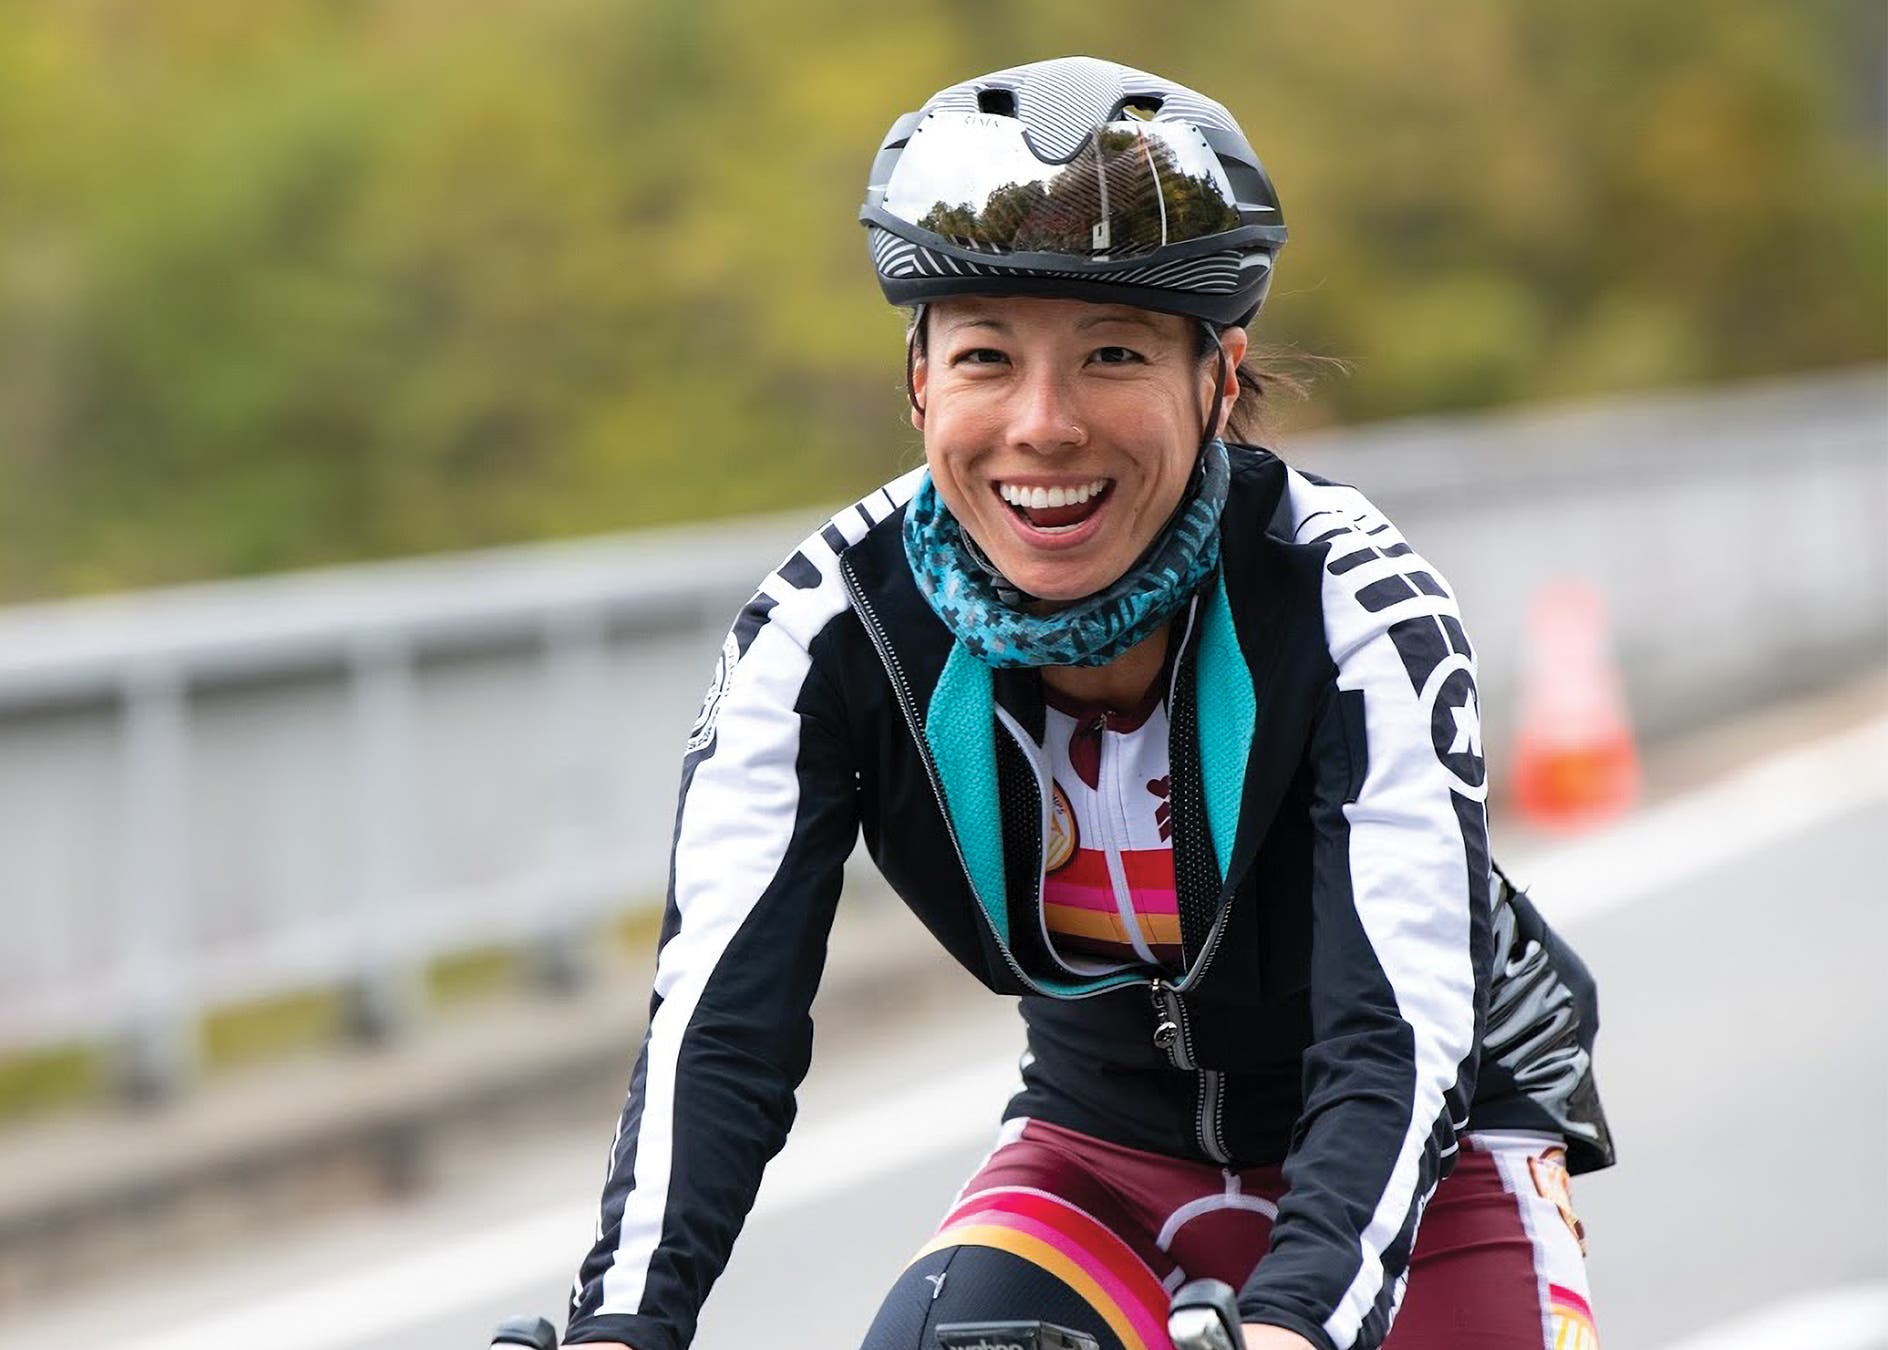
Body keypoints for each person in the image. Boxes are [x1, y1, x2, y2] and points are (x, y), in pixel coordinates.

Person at [561, 56, 1612, 1350]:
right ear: (919, 387)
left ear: (1217, 382)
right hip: (1098, 1155)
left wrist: (1295, 1324)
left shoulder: (1350, 604)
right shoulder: (827, 629)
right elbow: (722, 1022)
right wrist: (620, 1322)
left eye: (1111, 353)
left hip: (1427, 1152)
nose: (1044, 425)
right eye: (988, 358)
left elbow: (1393, 1035)